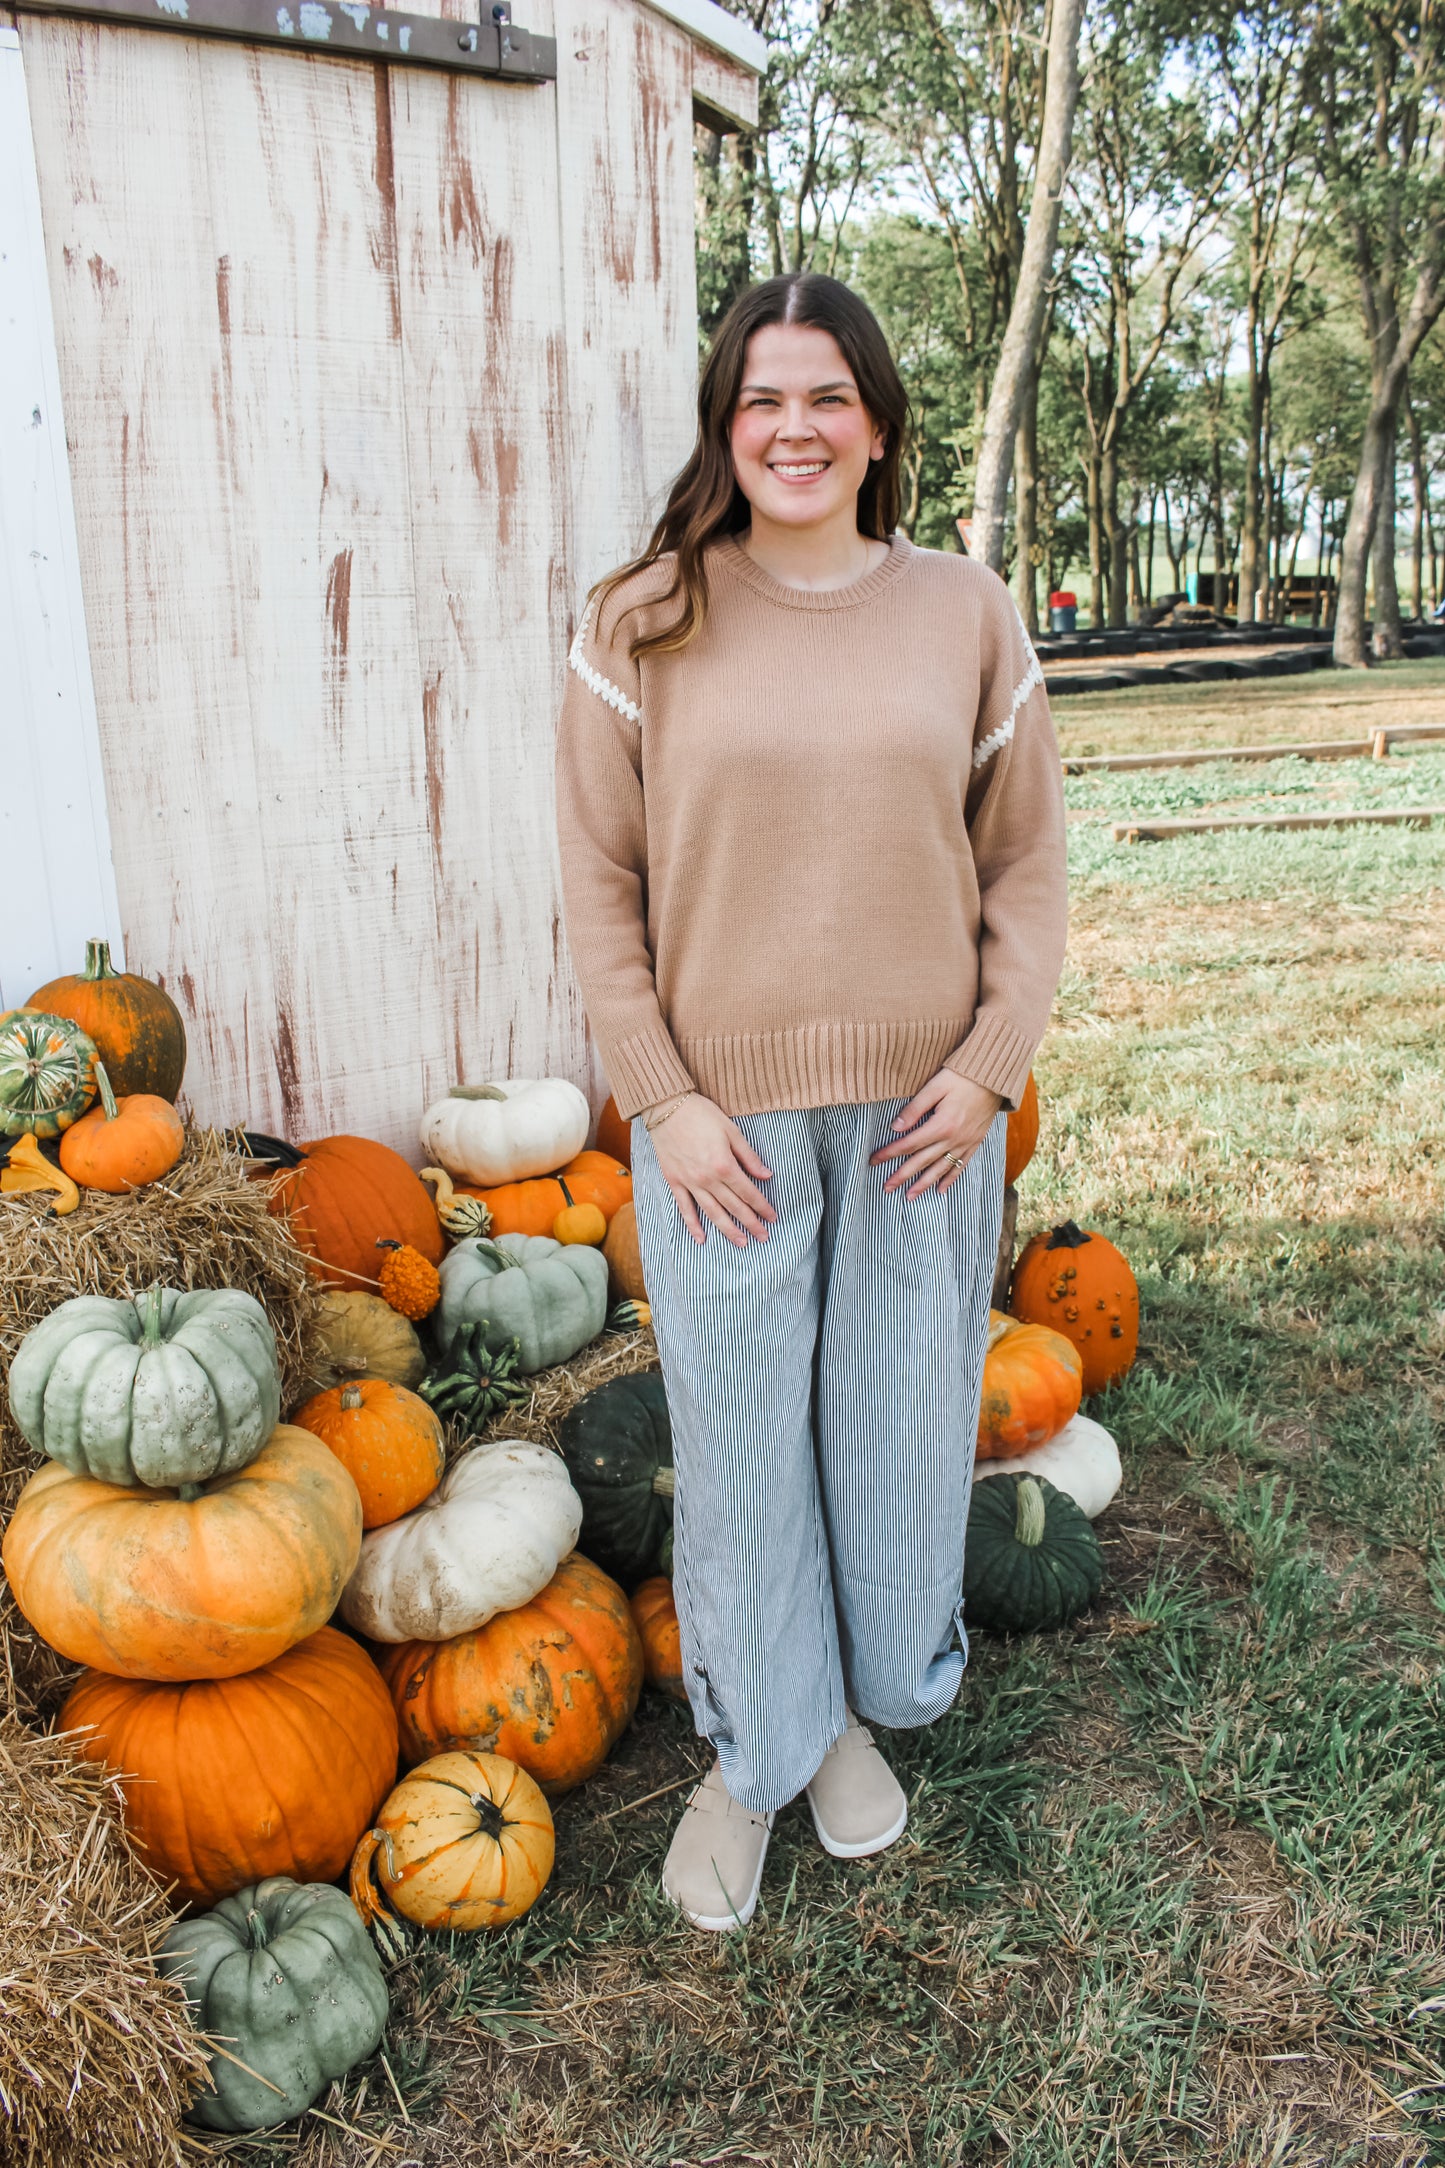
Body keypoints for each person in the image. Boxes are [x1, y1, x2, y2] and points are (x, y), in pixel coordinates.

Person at [554, 272, 1067, 1933]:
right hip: (722, 1130)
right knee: (745, 1451)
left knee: (895, 1437)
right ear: (725, 424)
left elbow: (1024, 869)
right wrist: (663, 1103)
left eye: (827, 397)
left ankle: (853, 1699)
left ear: (877, 427)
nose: (794, 428)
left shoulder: (964, 613)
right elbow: (600, 892)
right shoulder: (643, 621)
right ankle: (756, 1750)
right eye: (762, 398)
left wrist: (986, 1070)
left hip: (924, 1122)